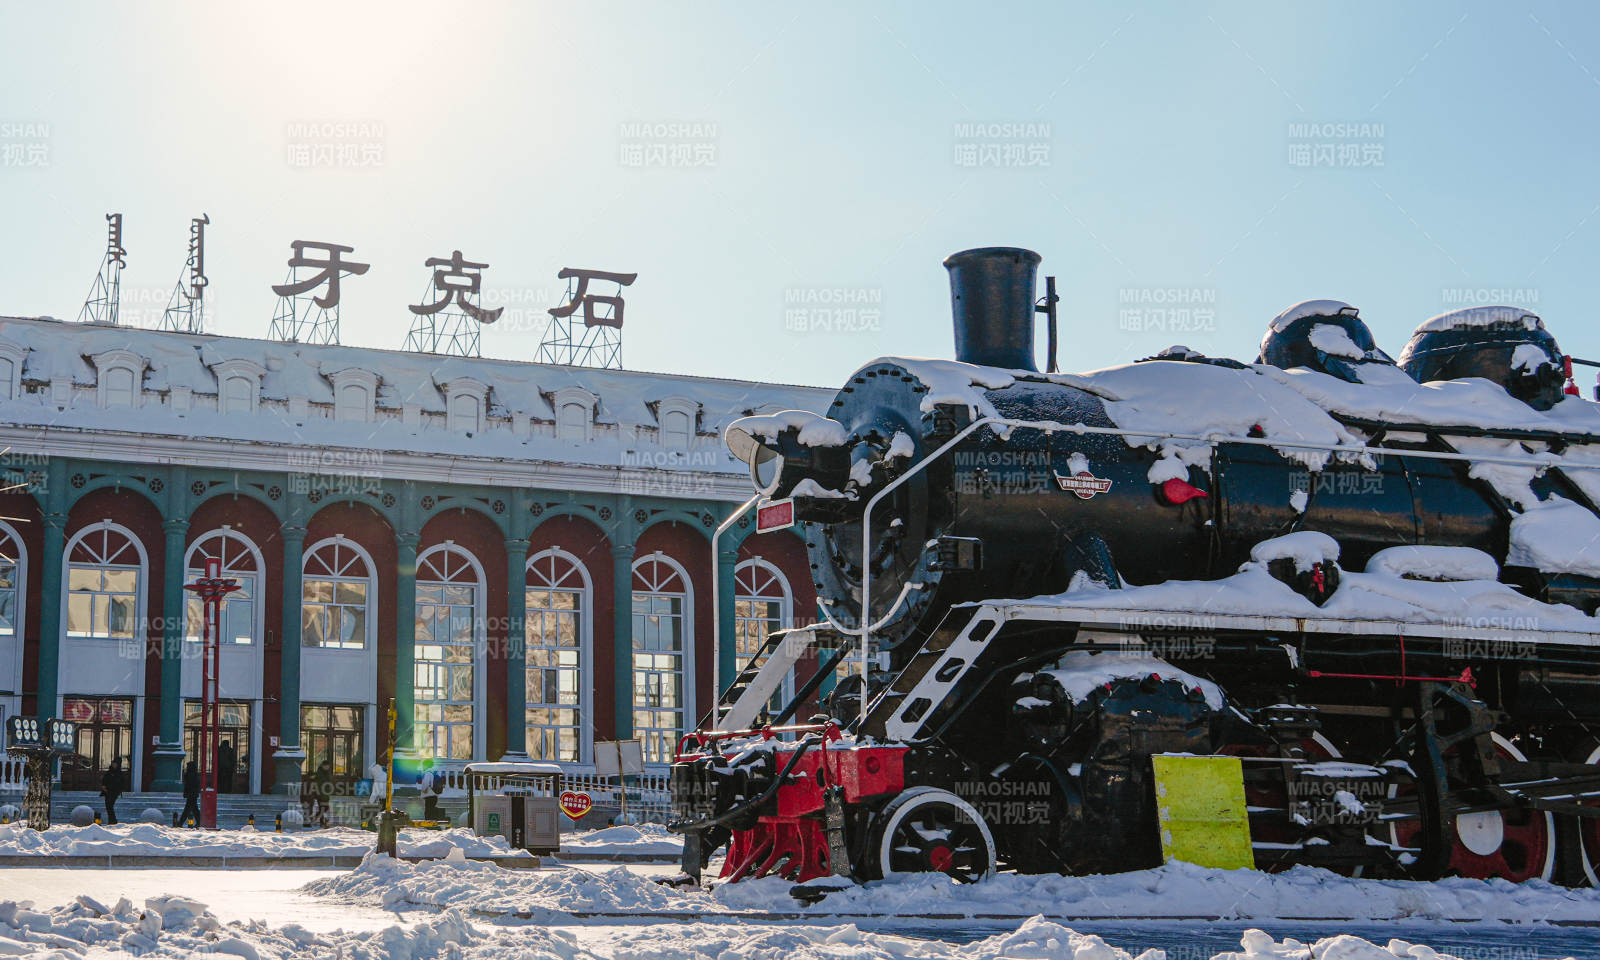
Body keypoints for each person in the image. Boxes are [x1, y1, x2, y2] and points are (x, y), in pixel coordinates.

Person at [99, 757, 125, 825]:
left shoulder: (119, 773)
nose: (113, 764)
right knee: (108, 807)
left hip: (114, 792)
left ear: (118, 764)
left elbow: (121, 783)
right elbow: (105, 779)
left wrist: (118, 790)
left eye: (115, 763)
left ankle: (113, 821)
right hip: (107, 791)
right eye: (113, 763)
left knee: (110, 806)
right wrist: (103, 786)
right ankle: (112, 820)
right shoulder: (109, 771)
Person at [179, 760, 201, 827]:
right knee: (194, 810)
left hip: (191, 794)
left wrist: (186, 793)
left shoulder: (190, 774)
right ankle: (199, 822)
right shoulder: (194, 774)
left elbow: (188, 786)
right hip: (193, 794)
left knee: (188, 810)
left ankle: (180, 823)